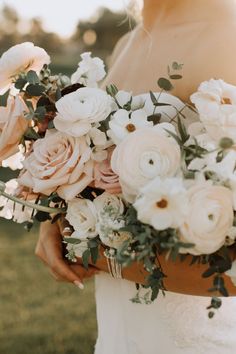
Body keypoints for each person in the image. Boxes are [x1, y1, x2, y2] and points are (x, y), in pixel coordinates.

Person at [36, 0, 236, 353]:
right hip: (118, 333)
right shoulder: (127, 43)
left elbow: (231, 271)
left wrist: (96, 253)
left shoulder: (226, 37)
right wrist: (61, 219)